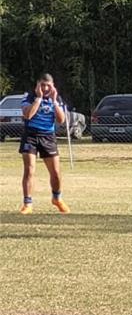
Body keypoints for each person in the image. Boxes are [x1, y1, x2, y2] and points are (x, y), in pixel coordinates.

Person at [18, 74, 69, 215]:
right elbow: (28, 115)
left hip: (48, 137)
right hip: (31, 136)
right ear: (37, 85)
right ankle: (27, 203)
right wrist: (39, 99)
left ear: (53, 86)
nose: (45, 88)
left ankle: (57, 198)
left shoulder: (56, 99)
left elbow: (61, 120)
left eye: (48, 85)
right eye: (42, 85)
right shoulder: (29, 97)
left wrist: (54, 102)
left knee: (56, 173)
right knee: (29, 170)